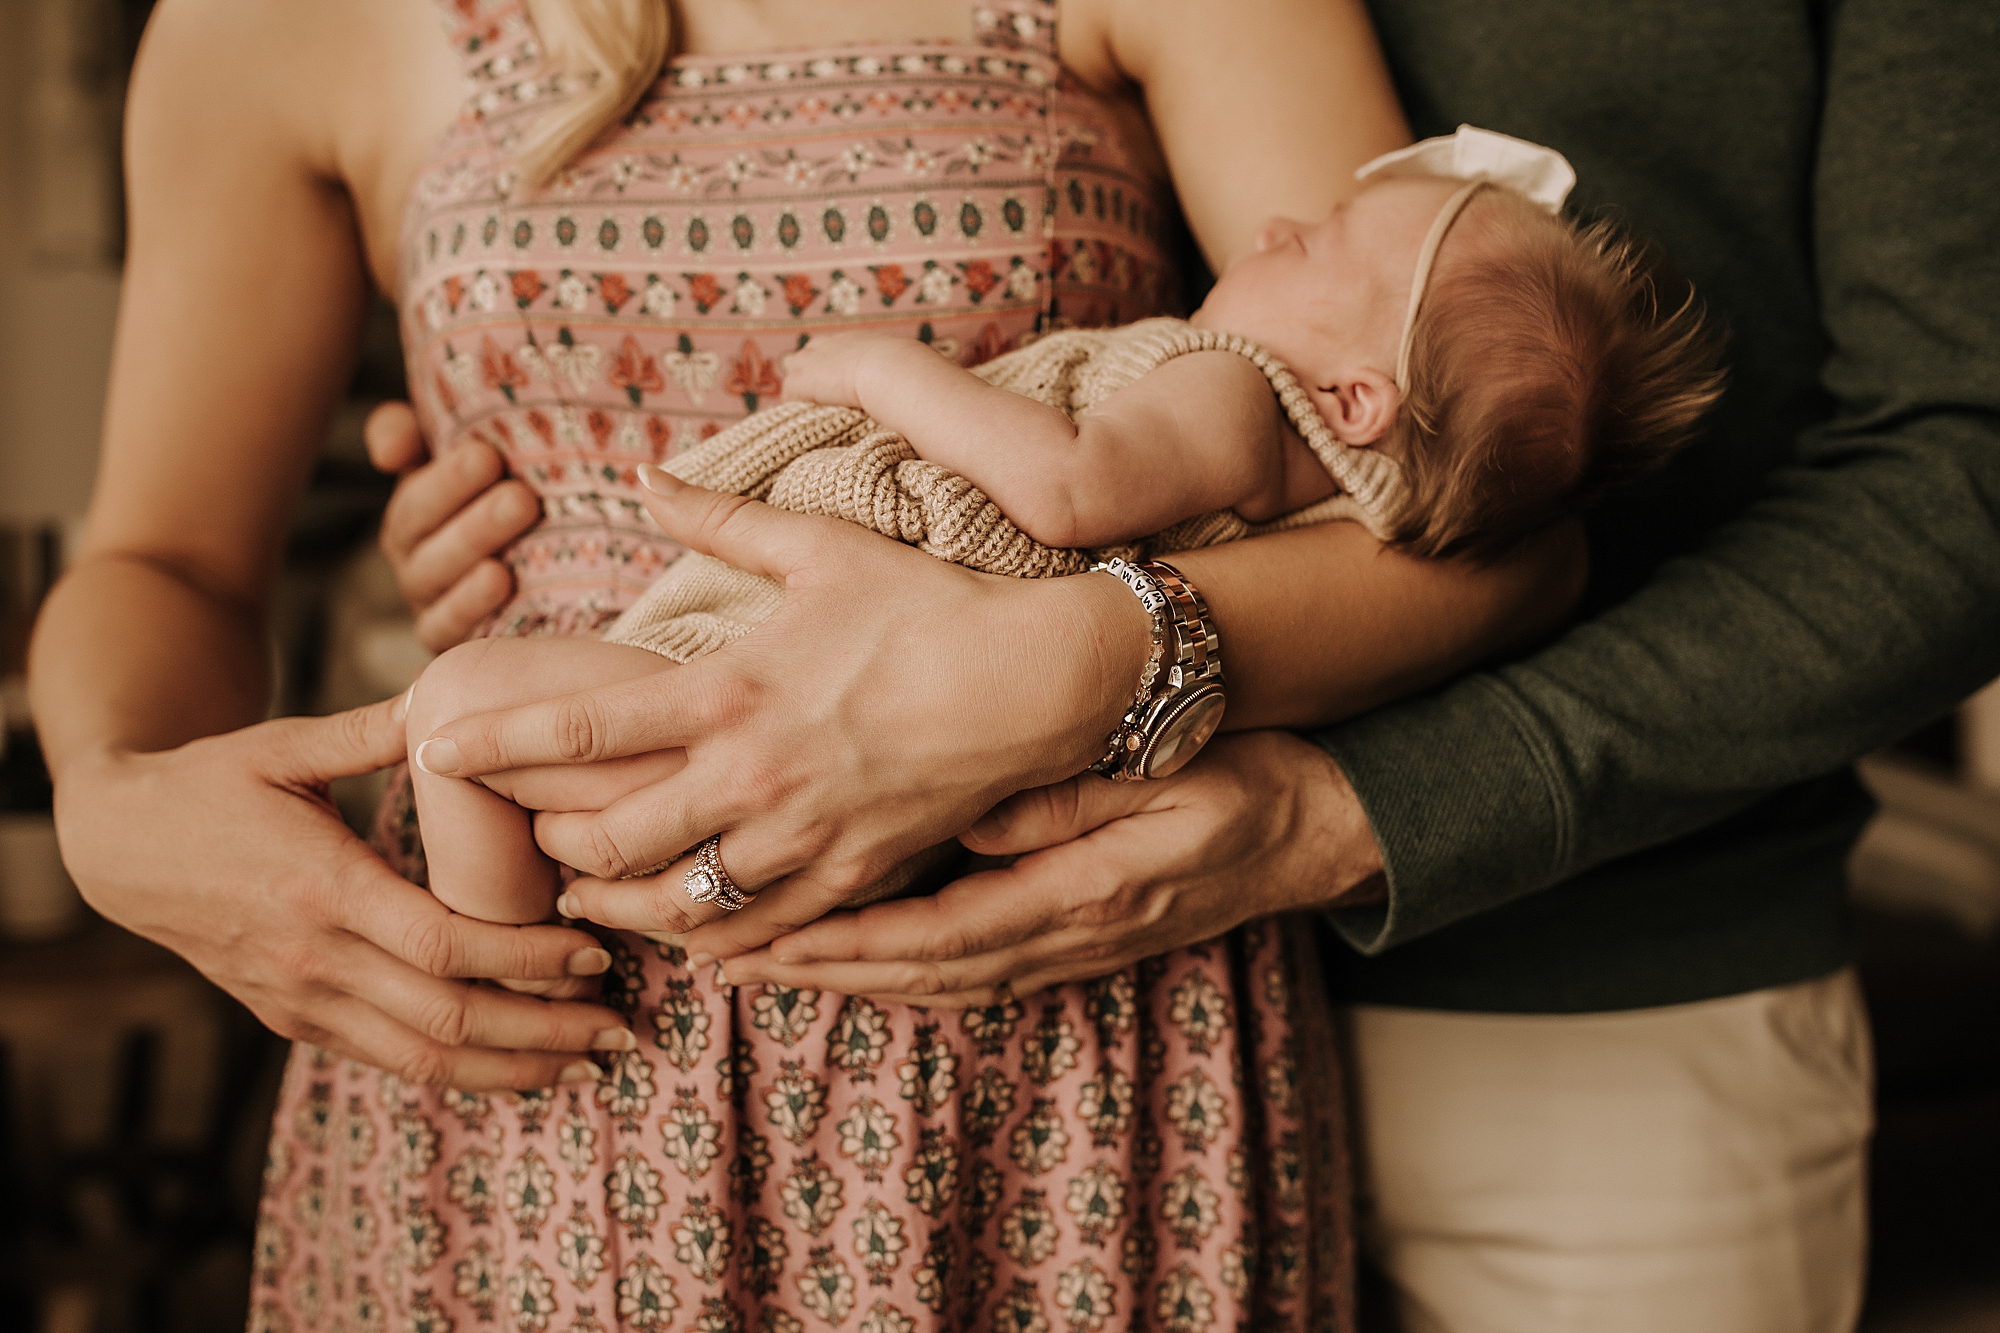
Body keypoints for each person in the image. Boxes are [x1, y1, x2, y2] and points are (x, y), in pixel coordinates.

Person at [389, 0, 2000, 1329]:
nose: (1293, 223)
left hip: (1601, 985)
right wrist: (522, 463)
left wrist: (1348, 800)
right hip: (1097, 1007)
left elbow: (1962, 468)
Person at [28, 0, 1579, 1328]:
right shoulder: (272, 28)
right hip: (535, 1025)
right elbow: (164, 559)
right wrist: (107, 795)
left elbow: (1475, 533)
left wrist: (1071, 665)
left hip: (1047, 1019)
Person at [408, 153, 1717, 930]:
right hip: (885, 726)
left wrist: (884, 374)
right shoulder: (1311, 484)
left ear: (1359, 398)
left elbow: (1071, 489)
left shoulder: (1234, 386)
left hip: (801, 663)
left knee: (464, 712)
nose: (1269, 230)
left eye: (1313, 243)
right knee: (528, 764)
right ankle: (529, 942)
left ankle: (504, 963)